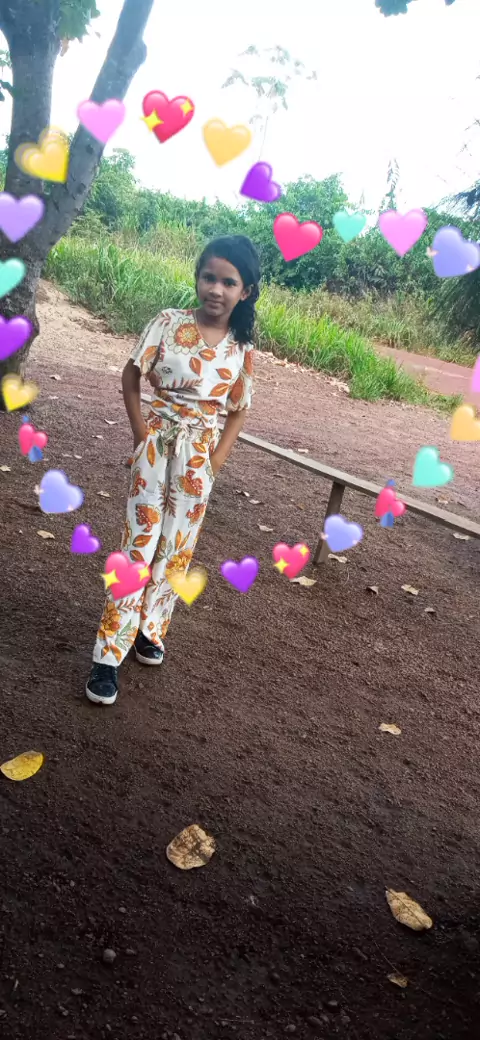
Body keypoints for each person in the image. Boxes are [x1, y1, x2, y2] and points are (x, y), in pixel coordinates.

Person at [86, 234, 260, 706]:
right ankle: (108, 653)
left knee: (177, 548)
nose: (216, 289)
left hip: (198, 459)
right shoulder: (168, 322)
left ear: (244, 291)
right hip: (156, 447)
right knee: (138, 545)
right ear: (198, 278)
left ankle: (150, 630)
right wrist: (140, 433)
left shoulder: (241, 348)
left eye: (229, 282)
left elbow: (239, 408)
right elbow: (131, 375)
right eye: (209, 277)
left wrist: (217, 459)